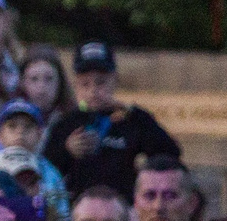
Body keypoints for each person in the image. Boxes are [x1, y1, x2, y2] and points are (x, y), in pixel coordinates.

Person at [45, 44, 178, 201]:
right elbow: (46, 168)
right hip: (79, 208)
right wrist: (66, 150)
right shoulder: (66, 122)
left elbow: (170, 153)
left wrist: (135, 113)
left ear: (114, 80)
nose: (93, 90)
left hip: (122, 207)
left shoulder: (130, 120)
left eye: (100, 82)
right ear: (75, 84)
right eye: (85, 84)